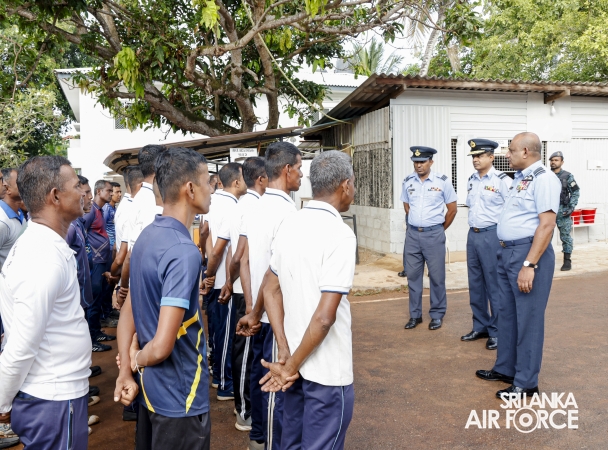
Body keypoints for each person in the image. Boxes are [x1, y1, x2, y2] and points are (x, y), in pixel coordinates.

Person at [113, 147, 212, 449]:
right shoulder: (183, 251)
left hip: (152, 392)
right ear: (190, 189)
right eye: (207, 181)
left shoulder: (147, 236)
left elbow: (128, 312)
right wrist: (135, 360)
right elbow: (161, 347)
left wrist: (126, 371)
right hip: (181, 396)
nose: (212, 189)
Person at [259, 150, 357, 450]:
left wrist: (284, 347)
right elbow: (324, 318)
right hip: (326, 372)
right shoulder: (340, 234)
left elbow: (270, 289)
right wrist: (291, 365)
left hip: (294, 365)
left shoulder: (290, 223)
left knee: (291, 443)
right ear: (345, 185)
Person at [0, 155, 90, 449]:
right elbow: (22, 344)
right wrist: (3, 401)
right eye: (76, 186)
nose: (82, 192)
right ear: (55, 196)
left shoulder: (46, 246)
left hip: (56, 395)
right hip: (52, 398)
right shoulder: (41, 257)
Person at [476, 132, 560, 399]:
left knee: (528, 320)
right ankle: (506, 369)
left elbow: (547, 225)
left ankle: (526, 382)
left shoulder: (545, 179)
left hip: (527, 254)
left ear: (525, 151)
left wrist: (529, 264)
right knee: (506, 314)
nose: (506, 154)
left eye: (510, 150)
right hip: (507, 252)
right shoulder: (521, 178)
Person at [236, 142, 303, 450]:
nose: (301, 174)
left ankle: (258, 436)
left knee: (259, 374)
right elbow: (272, 277)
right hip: (278, 316)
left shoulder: (257, 206)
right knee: (277, 386)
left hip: (262, 312)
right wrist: (256, 311)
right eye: (299, 168)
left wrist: (252, 309)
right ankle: (267, 441)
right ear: (287, 170)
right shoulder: (288, 213)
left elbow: (247, 261)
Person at [223, 157, 268, 432]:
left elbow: (234, 252)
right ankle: (244, 411)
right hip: (248, 292)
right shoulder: (253, 206)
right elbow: (240, 256)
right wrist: (233, 284)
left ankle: (244, 407)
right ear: (261, 179)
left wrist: (229, 281)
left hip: (245, 289)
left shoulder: (242, 204)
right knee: (247, 353)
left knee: (245, 350)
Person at [461, 139, 511, 351]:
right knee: (475, 283)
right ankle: (480, 326)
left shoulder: (502, 181)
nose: (475, 159)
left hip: (492, 235)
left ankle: (497, 331)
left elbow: (511, 210)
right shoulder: (472, 180)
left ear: (491, 157)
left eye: (480, 156)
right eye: (473, 156)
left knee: (494, 285)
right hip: (473, 235)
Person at [203, 163, 248, 401]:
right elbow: (221, 248)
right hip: (223, 280)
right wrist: (213, 274)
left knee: (219, 331)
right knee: (227, 336)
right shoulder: (232, 206)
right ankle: (224, 383)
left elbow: (205, 235)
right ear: (237, 182)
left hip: (216, 277)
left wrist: (208, 272)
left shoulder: (212, 201)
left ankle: (219, 377)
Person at [401, 146, 457, 330]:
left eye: (422, 162)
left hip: (434, 235)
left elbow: (452, 209)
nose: (418, 165)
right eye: (416, 162)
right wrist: (415, 223)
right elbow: (407, 205)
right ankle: (415, 315)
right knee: (413, 276)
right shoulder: (408, 181)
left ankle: (437, 314)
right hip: (412, 235)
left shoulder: (443, 182)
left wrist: (439, 229)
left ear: (431, 162)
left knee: (437, 277)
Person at [118, 144, 166, 307]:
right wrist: (124, 288)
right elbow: (132, 253)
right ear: (159, 165)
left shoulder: (139, 197)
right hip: (149, 289)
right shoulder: (151, 201)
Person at [83, 179, 116, 347]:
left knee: (100, 296)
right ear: (99, 191)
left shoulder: (100, 210)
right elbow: (82, 234)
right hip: (96, 262)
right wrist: (90, 255)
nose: (111, 194)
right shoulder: (91, 212)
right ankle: (91, 337)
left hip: (103, 261)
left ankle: (96, 332)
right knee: (94, 299)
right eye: (109, 191)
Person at [549, 151, 580, 271]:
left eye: (556, 160)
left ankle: (567, 261)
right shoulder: (545, 175)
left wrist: (571, 207)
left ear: (562, 162)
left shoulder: (568, 176)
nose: (553, 162)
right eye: (552, 160)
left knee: (565, 236)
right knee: (545, 236)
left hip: (563, 210)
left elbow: (575, 191)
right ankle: (546, 261)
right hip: (548, 211)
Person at [0, 168, 27, 268]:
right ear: (7, 189)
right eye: (19, 182)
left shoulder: (20, 214)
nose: (25, 186)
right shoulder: (2, 222)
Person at [103, 181, 122, 258]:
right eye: (117, 192)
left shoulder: (115, 209)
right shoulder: (106, 209)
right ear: (111, 193)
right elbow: (102, 228)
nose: (120, 195)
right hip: (108, 248)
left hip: (114, 247)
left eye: (120, 192)